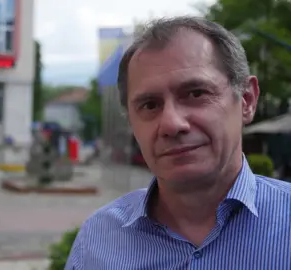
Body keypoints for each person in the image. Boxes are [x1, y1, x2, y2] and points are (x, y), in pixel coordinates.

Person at [65, 16, 291, 270]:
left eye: (196, 93)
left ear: (247, 100)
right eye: (150, 105)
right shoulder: (97, 241)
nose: (172, 124)